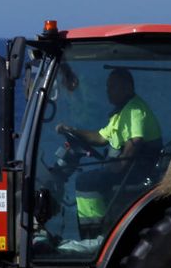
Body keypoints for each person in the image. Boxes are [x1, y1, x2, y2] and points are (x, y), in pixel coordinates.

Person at [56, 68, 162, 238]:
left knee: (86, 181)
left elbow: (135, 143)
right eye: (108, 86)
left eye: (113, 87)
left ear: (127, 88)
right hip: (129, 170)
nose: (108, 91)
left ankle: (95, 234)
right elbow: (100, 137)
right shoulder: (122, 112)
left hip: (136, 172)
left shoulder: (135, 110)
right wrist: (73, 130)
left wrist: (113, 169)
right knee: (93, 177)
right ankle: (96, 231)